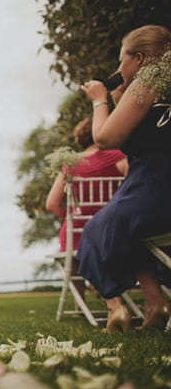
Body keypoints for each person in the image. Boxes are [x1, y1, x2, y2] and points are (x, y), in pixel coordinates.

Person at [78, 25, 171, 332]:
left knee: (95, 232)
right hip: (155, 195)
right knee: (129, 232)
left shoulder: (145, 86)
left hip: (154, 190)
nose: (120, 69)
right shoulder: (158, 87)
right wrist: (120, 94)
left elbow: (105, 137)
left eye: (123, 61)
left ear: (140, 59)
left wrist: (99, 99)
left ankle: (116, 308)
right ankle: (157, 304)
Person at [46, 118, 127, 300]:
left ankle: (79, 303)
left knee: (70, 245)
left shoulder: (70, 164)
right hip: (111, 229)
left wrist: (72, 218)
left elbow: (51, 203)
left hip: (75, 234)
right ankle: (117, 297)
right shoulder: (119, 157)